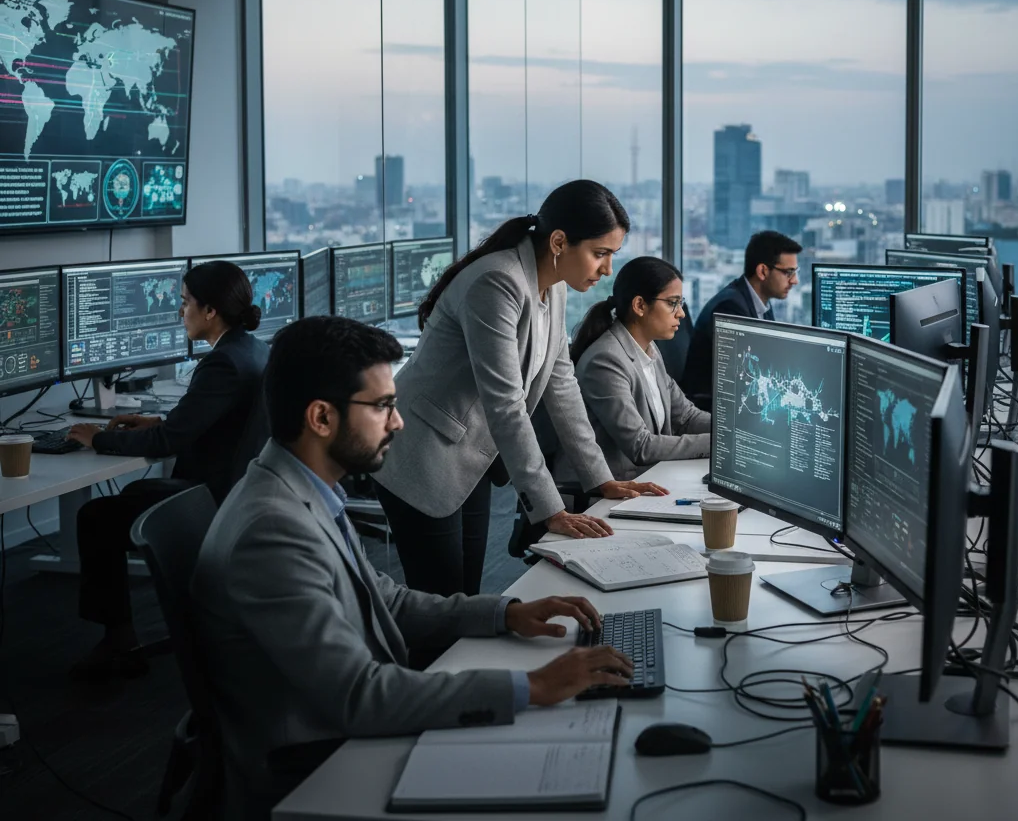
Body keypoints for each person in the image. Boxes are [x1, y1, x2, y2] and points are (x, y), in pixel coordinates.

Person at [191, 316, 634, 821]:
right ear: (320, 418)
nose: (398, 423)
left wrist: (507, 614)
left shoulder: (301, 490)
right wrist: (532, 686)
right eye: (382, 406)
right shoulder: (270, 529)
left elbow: (387, 599)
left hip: (348, 732)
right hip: (317, 766)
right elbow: (358, 697)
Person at [373, 180, 668, 598]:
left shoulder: (556, 286)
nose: (607, 271)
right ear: (560, 242)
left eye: (612, 256)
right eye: (600, 254)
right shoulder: (497, 283)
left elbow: (561, 384)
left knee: (466, 599)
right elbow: (506, 404)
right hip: (422, 456)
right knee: (441, 608)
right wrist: (551, 511)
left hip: (468, 457)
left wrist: (600, 479)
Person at [67, 260, 269, 681]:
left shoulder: (222, 363)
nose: (181, 312)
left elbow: (167, 445)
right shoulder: (251, 349)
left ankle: (118, 643)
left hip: (209, 500)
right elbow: (201, 423)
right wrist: (157, 421)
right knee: (127, 500)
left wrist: (96, 439)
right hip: (236, 492)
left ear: (210, 310)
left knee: (96, 517)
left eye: (185, 303)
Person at [557, 257, 711, 488]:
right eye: (672, 303)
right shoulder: (606, 361)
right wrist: (722, 443)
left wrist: (733, 430)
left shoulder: (649, 349)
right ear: (639, 305)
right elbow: (641, 446)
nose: (681, 314)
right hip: (603, 494)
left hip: (648, 480)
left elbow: (686, 417)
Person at [681, 230, 802, 410]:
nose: (795, 281)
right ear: (763, 271)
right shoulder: (731, 309)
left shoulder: (761, 303)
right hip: (714, 408)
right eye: (788, 272)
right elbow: (746, 377)